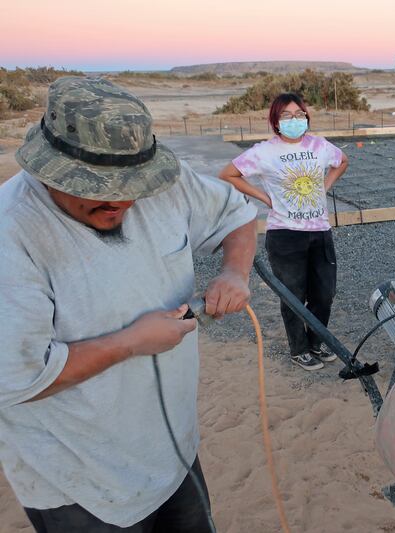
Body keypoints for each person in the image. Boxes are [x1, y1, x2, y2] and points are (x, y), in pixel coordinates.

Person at [0, 77, 258, 531]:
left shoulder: (166, 187)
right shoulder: (12, 232)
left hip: (173, 452)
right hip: (78, 483)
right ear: (49, 170)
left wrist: (234, 272)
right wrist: (130, 343)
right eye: (97, 186)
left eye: (131, 183)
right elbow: (17, 379)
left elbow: (237, 214)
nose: (120, 198)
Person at [219, 93, 349, 371]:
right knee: (292, 293)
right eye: (287, 116)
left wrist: (324, 187)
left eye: (299, 114)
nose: (295, 120)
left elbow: (342, 162)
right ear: (276, 122)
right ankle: (299, 348)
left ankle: (317, 340)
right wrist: (264, 198)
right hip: (285, 235)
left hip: (320, 231)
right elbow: (229, 174)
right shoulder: (263, 151)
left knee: (324, 293)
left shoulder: (319, 145)